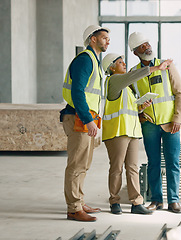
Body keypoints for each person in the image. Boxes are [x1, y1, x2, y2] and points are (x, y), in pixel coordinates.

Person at [101, 53, 173, 215]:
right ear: (111, 68)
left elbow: (129, 108)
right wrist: (156, 68)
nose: (124, 64)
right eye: (120, 62)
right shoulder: (113, 81)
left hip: (132, 131)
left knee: (132, 167)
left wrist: (141, 107)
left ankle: (136, 203)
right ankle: (115, 202)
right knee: (116, 168)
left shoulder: (126, 88)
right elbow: (134, 75)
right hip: (117, 132)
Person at [128, 32, 181, 213]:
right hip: (149, 124)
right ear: (135, 52)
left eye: (147, 44)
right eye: (142, 46)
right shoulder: (134, 74)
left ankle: (173, 200)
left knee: (172, 162)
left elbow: (179, 93)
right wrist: (139, 112)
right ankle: (157, 200)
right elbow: (130, 101)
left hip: (170, 123)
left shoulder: (167, 66)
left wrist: (178, 118)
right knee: (153, 163)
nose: (147, 47)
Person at [60, 25, 110, 222]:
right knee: (76, 164)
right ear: (93, 40)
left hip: (86, 117)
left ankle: (79, 202)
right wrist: (89, 120)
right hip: (79, 117)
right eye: (104, 37)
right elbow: (77, 92)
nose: (108, 41)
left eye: (108, 38)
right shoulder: (84, 60)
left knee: (84, 164)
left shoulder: (94, 62)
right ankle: (73, 208)